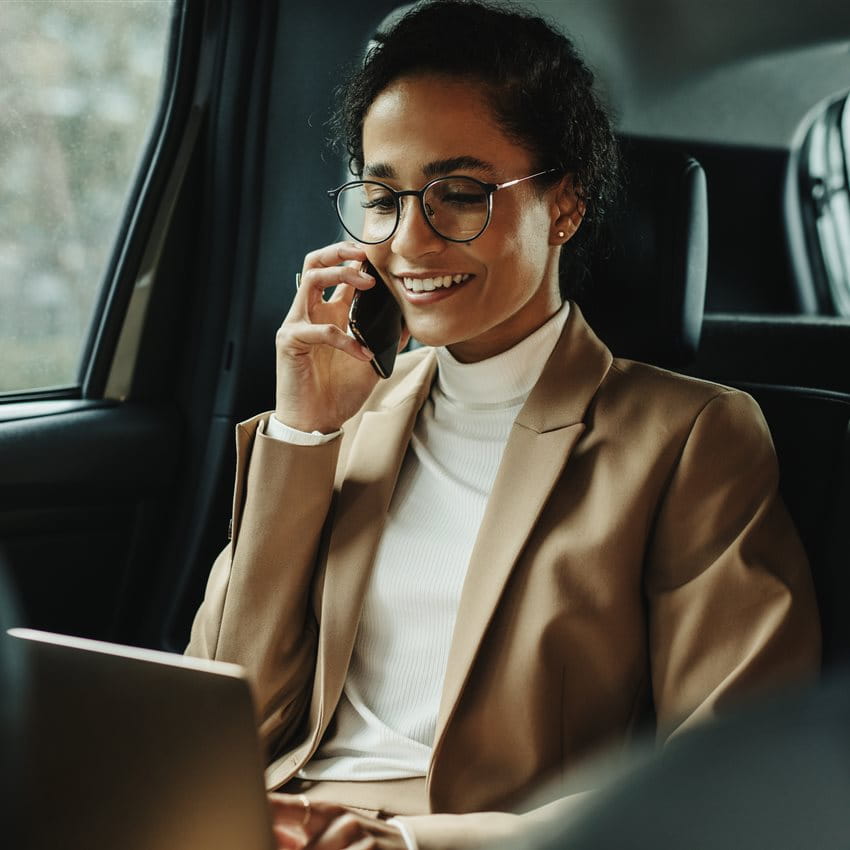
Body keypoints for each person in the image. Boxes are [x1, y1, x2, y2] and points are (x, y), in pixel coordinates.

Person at [186, 2, 820, 849]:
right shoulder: (348, 414)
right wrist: (305, 436)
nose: (408, 241)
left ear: (563, 207)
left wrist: (410, 844)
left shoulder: (689, 437)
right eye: (382, 198)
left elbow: (728, 778)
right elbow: (221, 722)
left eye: (458, 196)